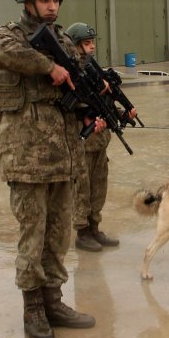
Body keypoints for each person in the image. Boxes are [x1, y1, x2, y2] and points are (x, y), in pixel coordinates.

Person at [0, 0, 100, 338]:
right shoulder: (11, 34)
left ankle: (54, 300)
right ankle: (33, 308)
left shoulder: (65, 40)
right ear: (28, 1)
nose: (51, 6)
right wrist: (47, 66)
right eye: (44, 0)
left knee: (57, 235)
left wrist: (90, 105)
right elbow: (2, 53)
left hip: (62, 155)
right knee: (32, 235)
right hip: (27, 155)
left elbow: (75, 82)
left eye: (55, 0)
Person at [65, 22, 123, 253]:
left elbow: (105, 104)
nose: (91, 48)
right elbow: (73, 104)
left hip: (100, 141)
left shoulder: (95, 71)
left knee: (99, 185)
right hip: (82, 142)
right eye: (86, 44)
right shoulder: (73, 73)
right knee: (82, 188)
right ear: (76, 46)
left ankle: (95, 227)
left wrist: (120, 114)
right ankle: (82, 231)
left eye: (92, 43)